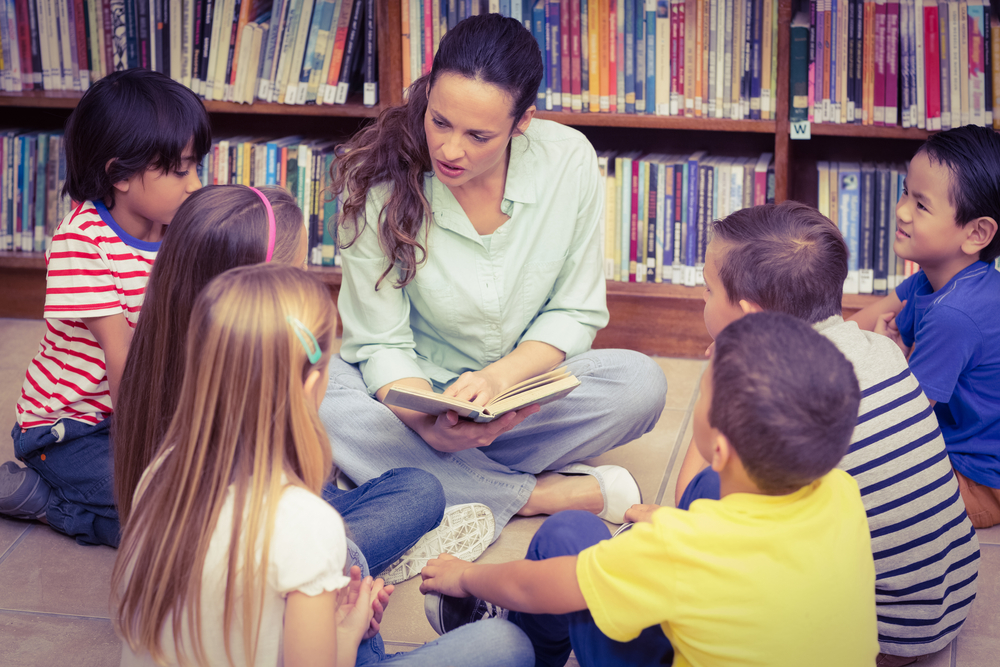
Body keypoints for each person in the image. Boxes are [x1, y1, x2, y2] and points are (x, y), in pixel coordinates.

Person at [321, 13, 666, 538]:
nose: (450, 150)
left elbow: (574, 311)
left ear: (522, 123)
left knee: (641, 383)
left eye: (478, 135)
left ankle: (428, 478)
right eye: (439, 121)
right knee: (320, 397)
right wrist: (427, 425)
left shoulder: (568, 160)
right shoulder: (378, 183)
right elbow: (379, 341)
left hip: (523, 393)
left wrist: (497, 382)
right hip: (416, 396)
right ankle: (534, 493)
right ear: (429, 93)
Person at [112, 264, 533, 667]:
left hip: (290, 618)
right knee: (506, 644)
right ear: (312, 386)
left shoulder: (160, 473)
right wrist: (348, 630)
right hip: (319, 622)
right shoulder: (305, 523)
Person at [420, 312, 878, 667]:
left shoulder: (681, 549)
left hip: (668, 568)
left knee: (566, 537)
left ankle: (523, 647)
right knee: (708, 489)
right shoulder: (842, 491)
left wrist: (465, 576)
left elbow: (535, 584)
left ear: (717, 444)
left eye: (703, 393)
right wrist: (671, 522)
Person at [114, 185, 493, 584]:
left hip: (264, 521)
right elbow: (283, 504)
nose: (305, 284)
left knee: (414, 487)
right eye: (297, 273)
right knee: (413, 498)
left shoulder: (158, 344)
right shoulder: (241, 388)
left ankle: (355, 556)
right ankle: (354, 564)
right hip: (259, 553)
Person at [657, 202, 978, 665]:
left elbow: (691, 499)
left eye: (708, 291)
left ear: (750, 315)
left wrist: (720, 377)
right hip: (952, 594)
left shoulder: (770, 394)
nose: (701, 300)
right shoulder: (882, 351)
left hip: (874, 633)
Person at [0, 69, 210, 546]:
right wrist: (163, 455)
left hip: (139, 410)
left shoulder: (176, 224)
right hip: (68, 432)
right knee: (169, 521)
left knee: (201, 497)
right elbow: (124, 361)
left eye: (195, 166)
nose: (194, 184)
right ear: (118, 175)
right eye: (179, 170)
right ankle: (48, 501)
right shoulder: (82, 242)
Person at [849, 125, 1000, 530]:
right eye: (904, 192)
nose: (901, 210)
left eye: (921, 205)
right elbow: (852, 326)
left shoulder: (955, 315)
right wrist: (785, 347)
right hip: (949, 449)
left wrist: (885, 361)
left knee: (846, 476)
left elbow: (904, 420)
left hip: (977, 480)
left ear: (976, 233)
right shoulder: (930, 280)